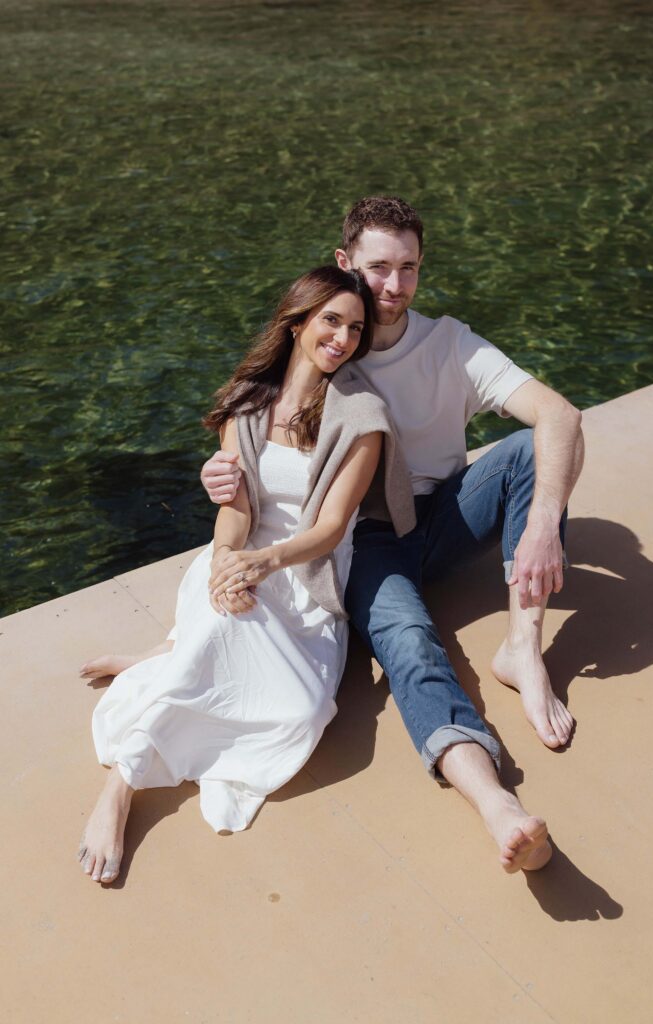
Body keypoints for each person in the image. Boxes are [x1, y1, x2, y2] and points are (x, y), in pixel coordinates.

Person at [201, 196, 585, 873]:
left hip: (444, 513)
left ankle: (522, 648)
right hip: (366, 540)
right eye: (378, 268)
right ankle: (497, 805)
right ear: (345, 262)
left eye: (408, 268)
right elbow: (260, 423)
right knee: (410, 644)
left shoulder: (449, 344)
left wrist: (543, 528)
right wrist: (218, 476)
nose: (394, 286)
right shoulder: (327, 348)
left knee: (531, 450)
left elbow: (557, 413)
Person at [77, 265, 416, 885]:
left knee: (302, 714)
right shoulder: (248, 405)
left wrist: (265, 562)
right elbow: (233, 514)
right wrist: (227, 564)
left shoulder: (362, 415)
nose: (341, 338)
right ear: (297, 322)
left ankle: (165, 656)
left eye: (354, 329)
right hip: (240, 557)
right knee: (218, 628)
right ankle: (119, 791)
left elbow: (332, 527)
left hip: (304, 576)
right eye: (330, 321)